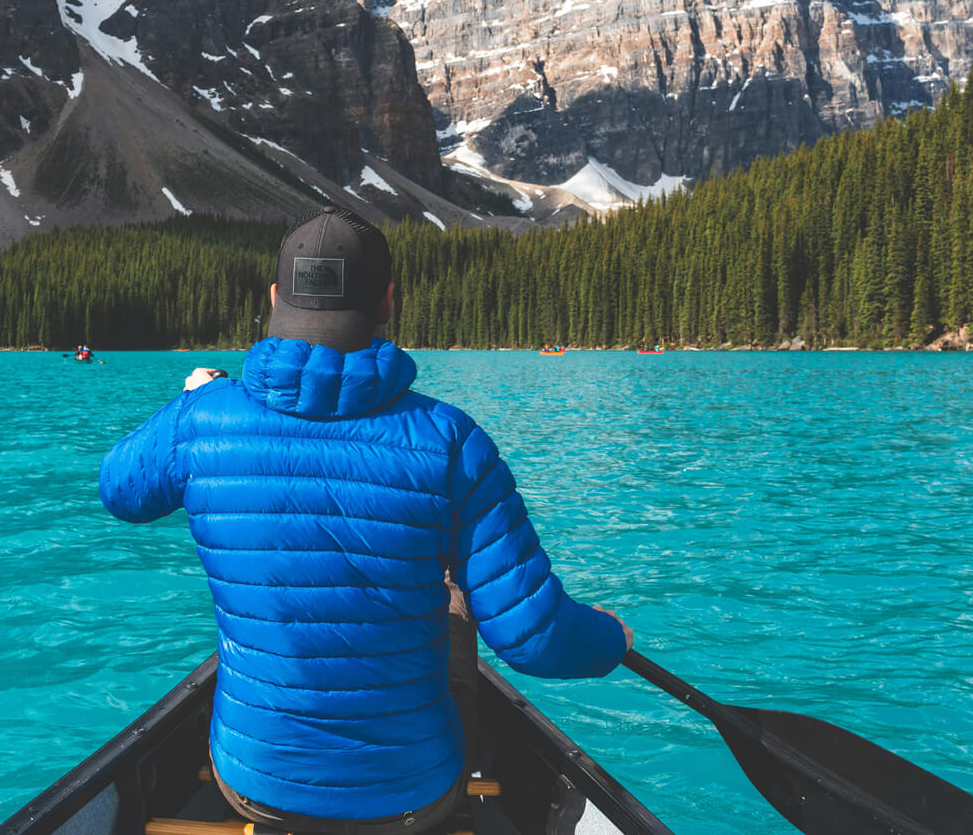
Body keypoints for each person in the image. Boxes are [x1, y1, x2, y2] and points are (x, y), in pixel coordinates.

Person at [99, 206, 631, 833]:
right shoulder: (452, 441)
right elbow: (535, 640)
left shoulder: (199, 422)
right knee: (456, 600)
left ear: (275, 298)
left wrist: (190, 399)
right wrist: (609, 639)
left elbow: (120, 491)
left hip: (251, 783)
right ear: (386, 302)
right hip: (413, 794)